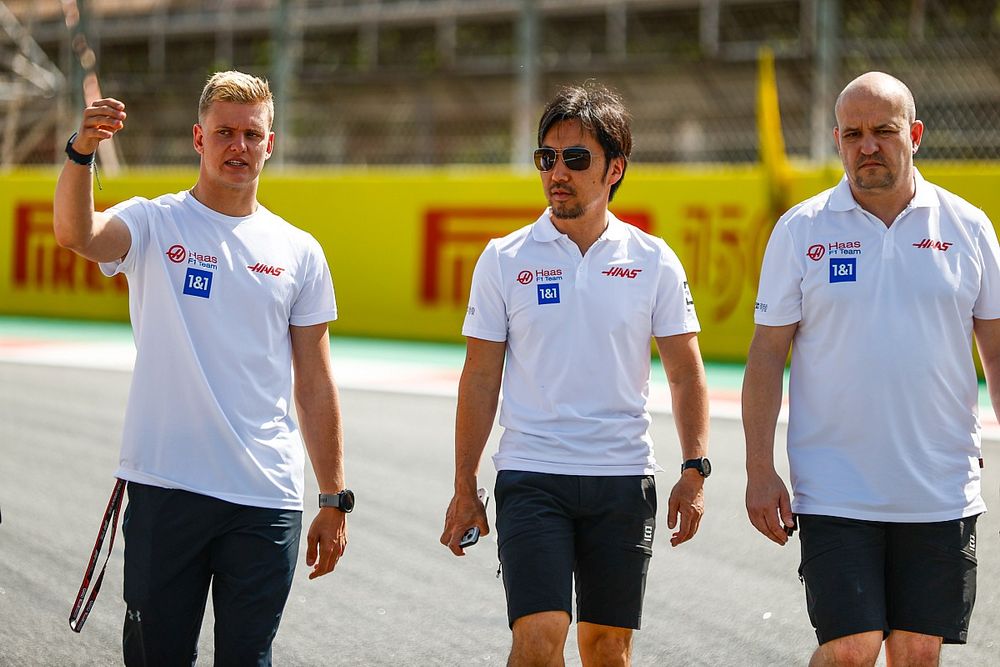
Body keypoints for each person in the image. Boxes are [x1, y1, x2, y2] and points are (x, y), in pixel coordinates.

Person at [53, 71, 352, 666]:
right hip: (167, 487)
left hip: (264, 497)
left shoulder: (299, 251)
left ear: (272, 143)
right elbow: (76, 232)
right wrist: (81, 153)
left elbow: (315, 383)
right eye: (224, 133)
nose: (237, 146)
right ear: (198, 138)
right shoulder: (153, 223)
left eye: (251, 133)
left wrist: (333, 497)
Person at [440, 82, 710, 666]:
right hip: (532, 476)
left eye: (576, 158)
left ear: (615, 168)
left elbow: (686, 373)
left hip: (622, 477)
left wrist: (694, 469)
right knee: (538, 639)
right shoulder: (504, 258)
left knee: (607, 648)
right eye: (547, 157)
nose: (557, 172)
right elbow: (480, 378)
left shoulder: (653, 259)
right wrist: (466, 486)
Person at [743, 71, 1000, 667]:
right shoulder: (801, 229)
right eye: (853, 133)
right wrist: (760, 468)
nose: (868, 146)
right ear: (837, 139)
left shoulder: (969, 227)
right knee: (850, 650)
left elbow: (995, 353)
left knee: (916, 654)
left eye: (883, 131)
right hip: (835, 489)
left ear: (914, 134)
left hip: (939, 489)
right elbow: (765, 355)